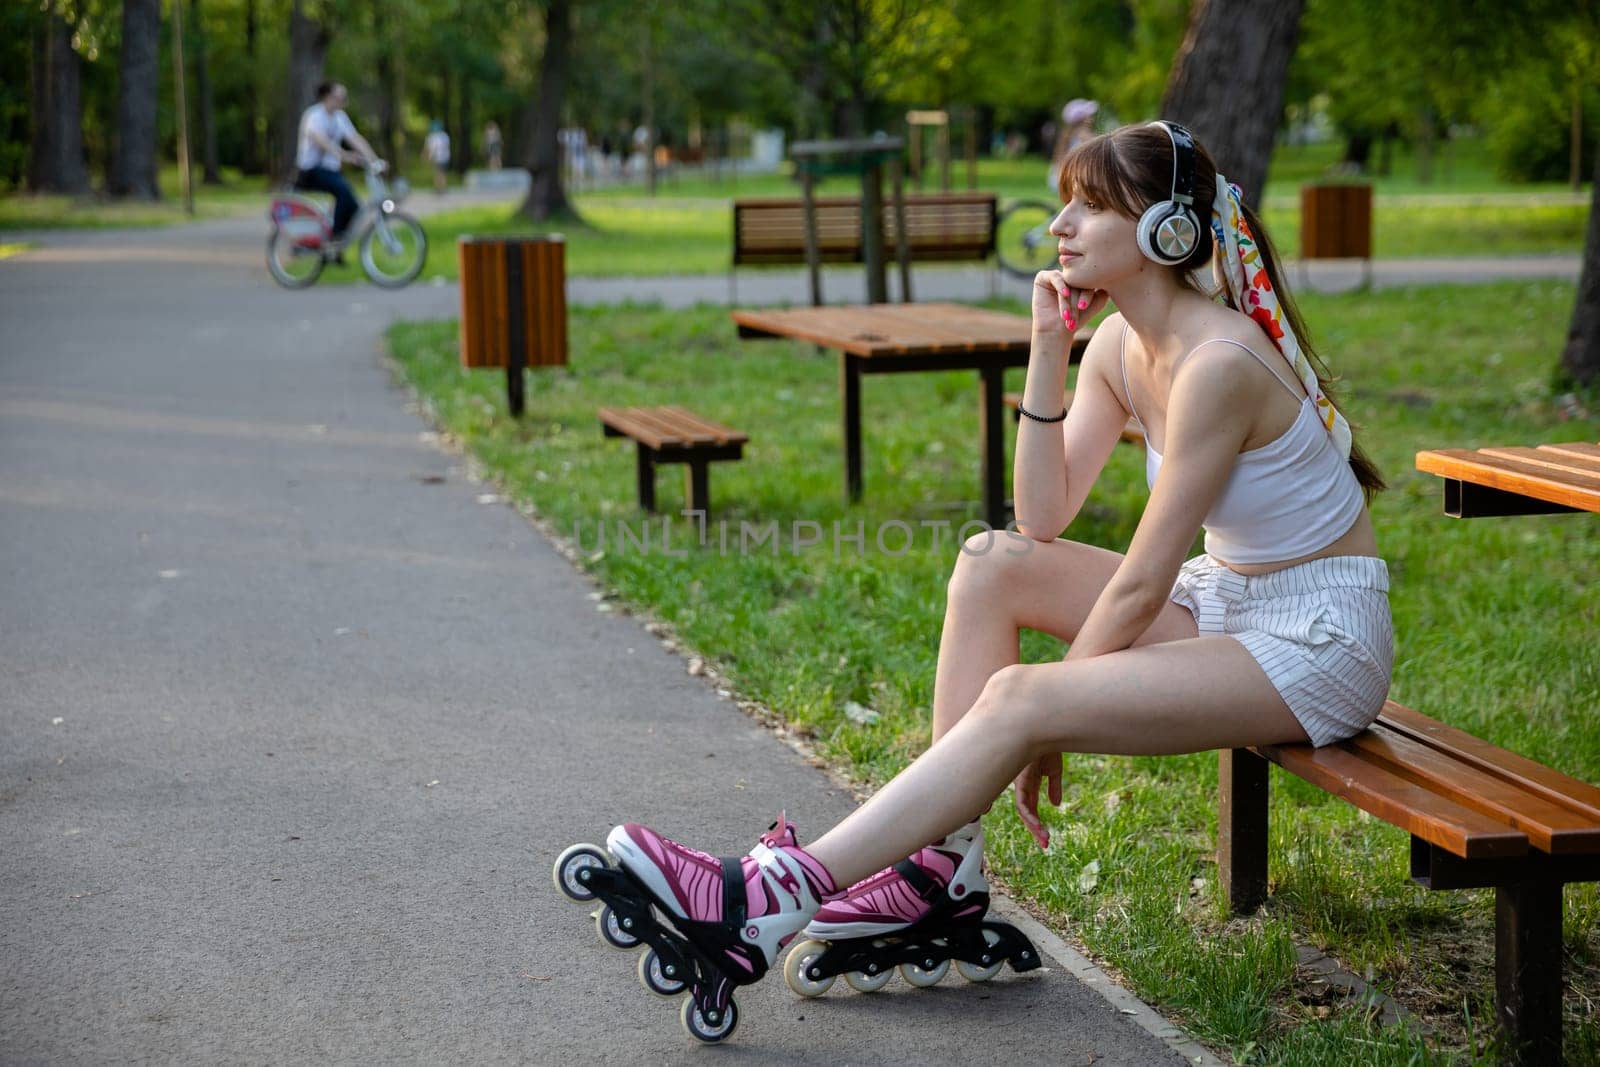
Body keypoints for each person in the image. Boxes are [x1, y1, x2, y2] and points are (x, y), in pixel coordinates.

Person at [567, 121, 1393, 1031]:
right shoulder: (1120, 344)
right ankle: (939, 872)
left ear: (1167, 228)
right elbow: (1039, 518)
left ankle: (765, 898)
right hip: (1228, 601)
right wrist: (1049, 344)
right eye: (1065, 201)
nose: (1060, 225)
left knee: (1020, 696)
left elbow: (1142, 582)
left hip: (1316, 638)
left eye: (1090, 204)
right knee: (989, 562)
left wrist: (1055, 712)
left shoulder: (1221, 364)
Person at [294, 82, 379, 246]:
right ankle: (334, 236)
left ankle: (337, 243)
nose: (344, 102)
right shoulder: (314, 116)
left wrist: (374, 159)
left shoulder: (340, 117)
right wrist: (344, 155)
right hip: (311, 171)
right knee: (343, 191)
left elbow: (355, 138)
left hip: (330, 171)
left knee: (354, 207)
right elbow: (321, 141)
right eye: (341, 97)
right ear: (328, 97)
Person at [1048, 98, 1099, 190]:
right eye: (1089, 116)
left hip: (1057, 177)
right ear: (1082, 119)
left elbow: (1057, 158)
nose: (1092, 118)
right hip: (1072, 178)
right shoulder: (1083, 133)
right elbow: (1100, 148)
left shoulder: (1066, 135)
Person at [423, 120, 451, 194]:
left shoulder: (432, 137)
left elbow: (431, 149)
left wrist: (428, 157)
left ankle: (438, 188)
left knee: (438, 173)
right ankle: (443, 188)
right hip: (445, 156)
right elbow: (447, 146)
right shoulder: (445, 135)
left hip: (438, 157)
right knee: (443, 173)